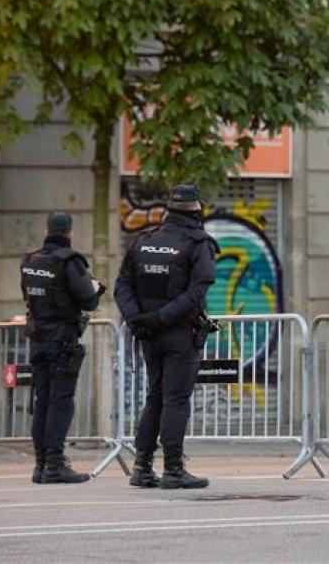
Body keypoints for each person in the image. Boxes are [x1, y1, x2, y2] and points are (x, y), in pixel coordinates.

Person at [115, 184, 218, 490]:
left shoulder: (143, 241)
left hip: (148, 334)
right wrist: (159, 319)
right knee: (175, 399)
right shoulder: (198, 243)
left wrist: (138, 320)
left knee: (155, 397)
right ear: (197, 210)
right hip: (178, 334)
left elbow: (122, 286)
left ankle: (142, 466)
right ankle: (173, 468)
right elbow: (197, 292)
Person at [19, 210, 104, 484]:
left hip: (37, 340)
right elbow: (88, 300)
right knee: (60, 403)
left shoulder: (31, 260)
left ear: (48, 230)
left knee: (42, 401)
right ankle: (54, 465)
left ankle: (41, 464)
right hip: (61, 341)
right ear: (69, 233)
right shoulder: (69, 261)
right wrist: (95, 288)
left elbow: (28, 295)